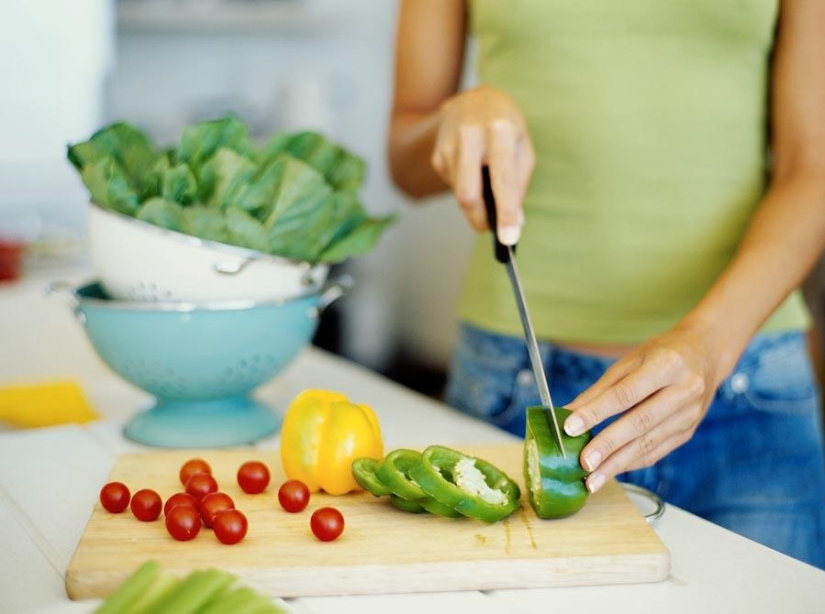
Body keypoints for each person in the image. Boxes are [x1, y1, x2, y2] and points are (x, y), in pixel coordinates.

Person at [386, 0, 825, 569]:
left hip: (745, 389)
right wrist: (454, 119)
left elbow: (810, 166)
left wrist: (710, 345)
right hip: (516, 385)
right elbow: (405, 156)